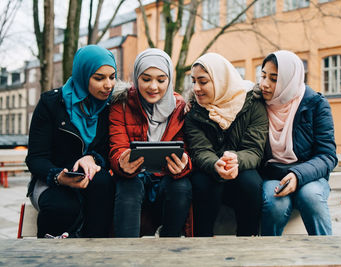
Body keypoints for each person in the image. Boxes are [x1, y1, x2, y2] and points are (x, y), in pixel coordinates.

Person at [26, 45, 116, 238]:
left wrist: (92, 158)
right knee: (62, 207)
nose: (108, 85)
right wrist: (58, 176)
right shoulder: (51, 104)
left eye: (112, 76)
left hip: (90, 179)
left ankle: (95, 252)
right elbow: (36, 158)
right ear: (82, 75)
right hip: (52, 180)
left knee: (103, 184)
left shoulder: (110, 107)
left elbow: (110, 152)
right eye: (99, 78)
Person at [109, 48, 192, 238]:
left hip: (166, 177)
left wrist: (184, 164)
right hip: (134, 176)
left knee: (182, 186)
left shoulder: (180, 107)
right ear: (136, 77)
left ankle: (169, 248)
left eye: (161, 80)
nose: (153, 87)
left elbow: (187, 150)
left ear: (169, 79)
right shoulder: (120, 103)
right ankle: (125, 252)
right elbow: (117, 147)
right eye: (146, 79)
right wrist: (121, 161)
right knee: (128, 186)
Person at [184, 52, 268, 237]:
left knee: (251, 183)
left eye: (203, 81)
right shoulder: (194, 112)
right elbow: (200, 150)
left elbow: (254, 149)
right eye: (193, 81)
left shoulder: (252, 104)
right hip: (210, 169)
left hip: (241, 168)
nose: (196, 88)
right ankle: (202, 244)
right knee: (203, 183)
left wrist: (235, 160)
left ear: (221, 80)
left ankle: (248, 242)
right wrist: (215, 164)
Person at [256, 50, 337, 236]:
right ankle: (268, 257)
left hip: (310, 175)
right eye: (263, 76)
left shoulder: (316, 104)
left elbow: (327, 155)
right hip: (273, 174)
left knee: (311, 196)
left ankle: (326, 256)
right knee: (276, 203)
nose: (264, 84)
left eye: (274, 79)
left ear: (289, 80)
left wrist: (297, 175)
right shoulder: (257, 103)